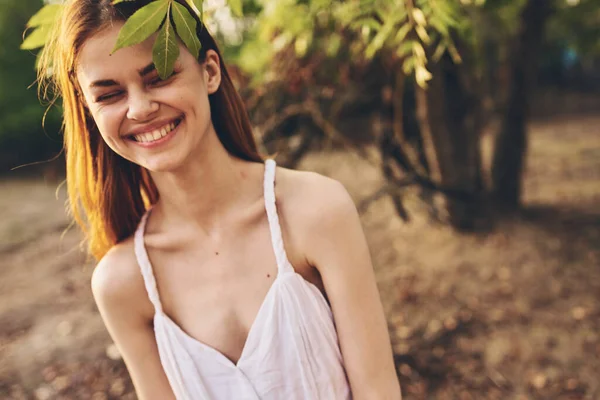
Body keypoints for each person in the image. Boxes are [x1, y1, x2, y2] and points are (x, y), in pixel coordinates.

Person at [38, 0, 401, 398]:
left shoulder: (314, 211)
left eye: (159, 76)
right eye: (109, 95)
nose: (140, 108)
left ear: (210, 71)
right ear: (89, 111)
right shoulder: (123, 284)